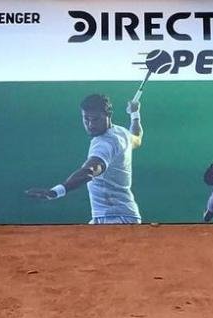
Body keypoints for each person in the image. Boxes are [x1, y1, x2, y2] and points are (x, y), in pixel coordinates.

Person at [26, 93, 143, 223]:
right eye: (86, 119)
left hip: (113, 218)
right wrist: (134, 113)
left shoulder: (104, 143)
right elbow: (137, 138)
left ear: (109, 115)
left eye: (96, 119)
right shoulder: (121, 133)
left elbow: (89, 171)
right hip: (123, 216)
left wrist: (55, 192)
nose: (90, 124)